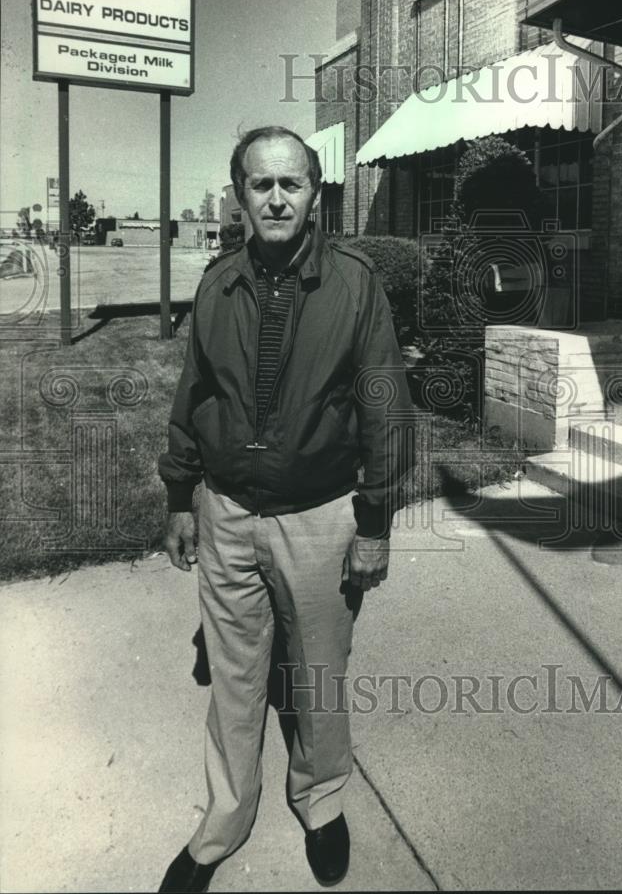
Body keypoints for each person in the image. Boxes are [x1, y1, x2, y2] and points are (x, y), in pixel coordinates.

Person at [157, 126, 413, 893]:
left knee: (315, 674)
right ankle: (224, 820)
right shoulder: (217, 283)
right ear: (239, 197)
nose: (275, 198)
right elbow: (192, 394)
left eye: (291, 184)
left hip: (320, 516)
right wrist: (181, 495)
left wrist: (373, 524)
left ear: (313, 194)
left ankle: (320, 798)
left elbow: (384, 407)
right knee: (237, 678)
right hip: (226, 512)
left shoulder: (354, 284)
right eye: (260, 185)